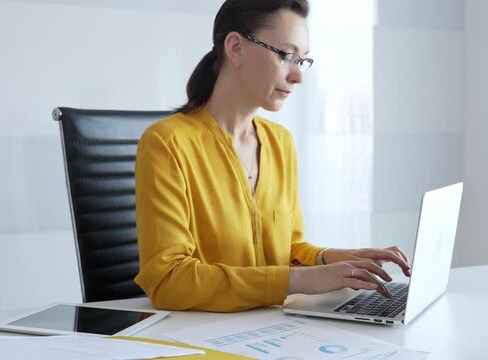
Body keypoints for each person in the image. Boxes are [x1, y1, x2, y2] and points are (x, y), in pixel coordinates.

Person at [134, 0, 411, 312]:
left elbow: (285, 250)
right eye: (286, 55)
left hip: (271, 330)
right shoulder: (167, 143)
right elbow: (169, 282)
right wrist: (299, 280)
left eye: (302, 61)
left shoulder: (280, 142)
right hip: (200, 337)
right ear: (236, 47)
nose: (298, 76)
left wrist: (331, 259)